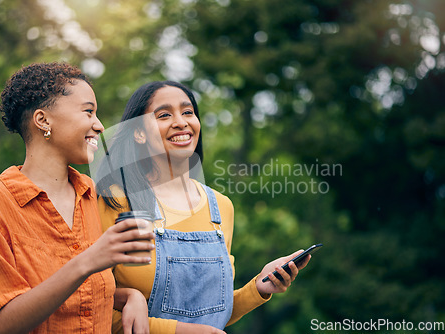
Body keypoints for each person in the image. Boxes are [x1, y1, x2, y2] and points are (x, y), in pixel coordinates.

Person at [0, 62, 154, 333]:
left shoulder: (92, 196)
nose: (100, 125)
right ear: (43, 120)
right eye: (88, 112)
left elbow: (81, 293)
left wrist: (131, 296)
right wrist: (88, 261)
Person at [96, 81, 311, 334]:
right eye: (164, 115)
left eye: (188, 112)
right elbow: (92, 308)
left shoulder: (220, 207)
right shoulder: (115, 201)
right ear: (138, 133)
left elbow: (212, 314)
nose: (181, 122)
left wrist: (259, 288)